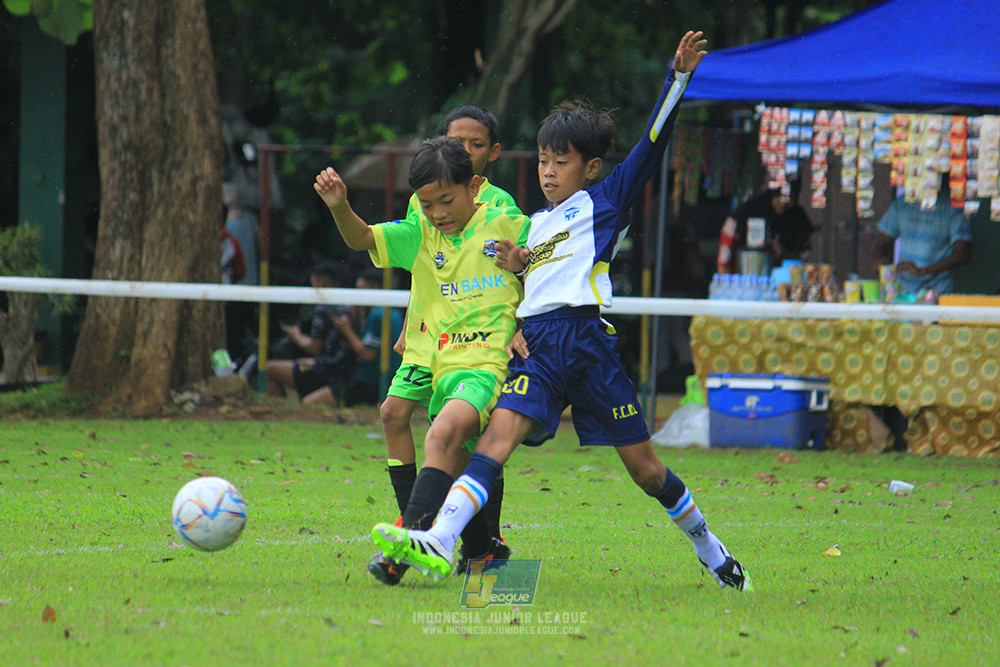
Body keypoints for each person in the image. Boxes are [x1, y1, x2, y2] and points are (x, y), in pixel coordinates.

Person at [371, 31, 751, 591]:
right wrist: (516, 301)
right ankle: (440, 537)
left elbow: (649, 144)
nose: (549, 171)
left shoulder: (606, 201)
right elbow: (515, 279)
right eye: (544, 160)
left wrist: (678, 80)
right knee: (494, 441)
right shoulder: (534, 222)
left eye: (562, 162)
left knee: (646, 471)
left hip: (589, 345)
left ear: (591, 167)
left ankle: (709, 546)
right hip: (541, 347)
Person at [313, 137, 530, 583]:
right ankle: (481, 550)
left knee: (443, 433)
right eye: (427, 204)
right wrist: (339, 206)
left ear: (474, 187)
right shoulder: (420, 234)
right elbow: (362, 237)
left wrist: (525, 281)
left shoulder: (509, 224)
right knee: (456, 457)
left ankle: (410, 543)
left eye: (446, 201)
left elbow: (549, 274)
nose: (438, 214)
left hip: (489, 363)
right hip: (442, 365)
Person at [375, 105, 516, 583]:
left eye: (476, 145)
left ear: (490, 156)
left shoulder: (501, 210)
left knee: (458, 440)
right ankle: (424, 529)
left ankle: (469, 540)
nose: (466, 151)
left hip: (478, 347)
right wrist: (412, 320)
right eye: (458, 143)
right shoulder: (427, 199)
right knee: (398, 414)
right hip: (428, 339)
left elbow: (524, 269)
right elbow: (428, 265)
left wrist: (523, 325)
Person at [264, 260, 355, 405]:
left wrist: (296, 336)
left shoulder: (324, 307)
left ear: (321, 280)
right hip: (344, 369)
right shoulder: (350, 304)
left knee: (268, 368)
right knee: (300, 363)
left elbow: (315, 347)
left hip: (328, 371)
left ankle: (280, 411)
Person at [873, 186, 972, 295]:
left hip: (937, 291)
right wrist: (879, 260)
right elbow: (882, 242)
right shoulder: (902, 203)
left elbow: (962, 254)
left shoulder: (953, 207)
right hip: (903, 290)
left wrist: (923, 271)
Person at [334, 267, 404, 407]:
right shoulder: (391, 311)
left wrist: (346, 330)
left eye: (360, 290)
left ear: (374, 289)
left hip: (371, 382)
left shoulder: (377, 316)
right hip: (389, 379)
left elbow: (367, 354)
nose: (357, 295)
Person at [716, 180, 815, 274]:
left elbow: (804, 257)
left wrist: (784, 254)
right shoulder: (745, 213)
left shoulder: (799, 220)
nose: (783, 203)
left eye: (790, 199)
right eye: (779, 197)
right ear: (772, 194)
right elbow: (725, 257)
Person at [221, 182, 261, 364]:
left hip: (233, 290)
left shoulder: (228, 233)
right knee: (243, 330)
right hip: (249, 282)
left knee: (234, 333)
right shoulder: (251, 220)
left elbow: (237, 267)